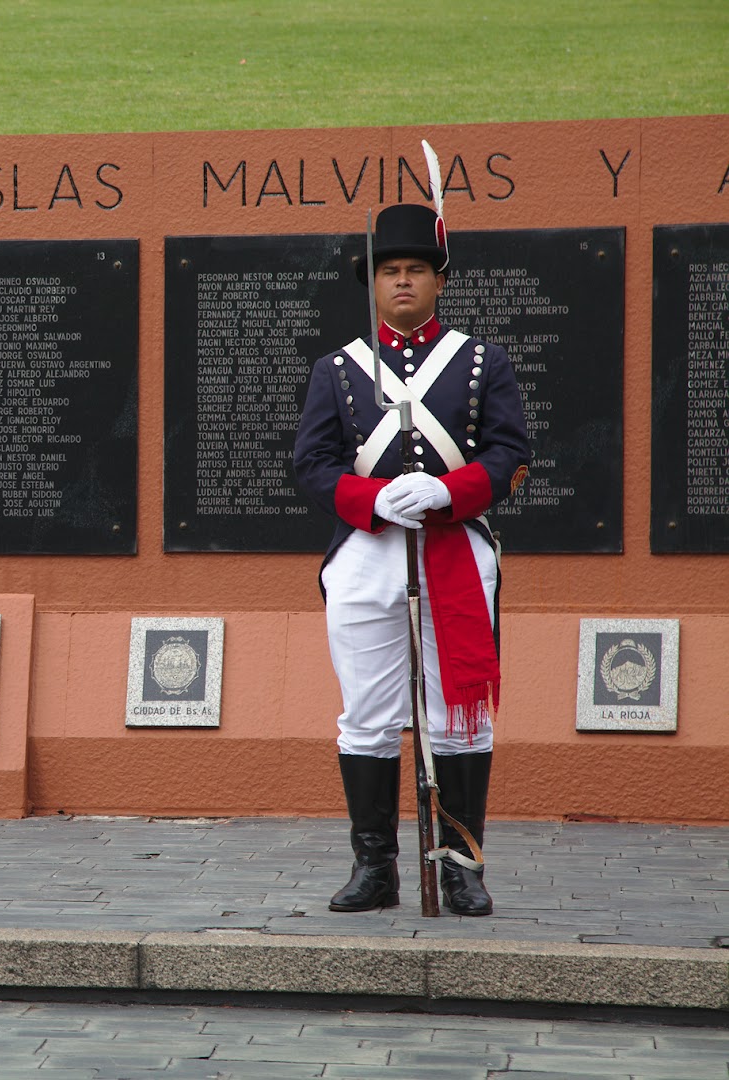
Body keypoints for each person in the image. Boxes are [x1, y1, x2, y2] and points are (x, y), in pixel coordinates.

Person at [292, 202, 530, 916]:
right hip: (367, 554)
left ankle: (461, 867)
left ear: (438, 281)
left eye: (416, 271)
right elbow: (311, 466)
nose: (402, 282)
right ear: (373, 283)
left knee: (460, 715)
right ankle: (375, 868)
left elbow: (513, 456)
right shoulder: (338, 370)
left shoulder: (482, 361)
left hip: (453, 550)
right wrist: (371, 501)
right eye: (390, 271)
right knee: (366, 714)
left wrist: (447, 490)